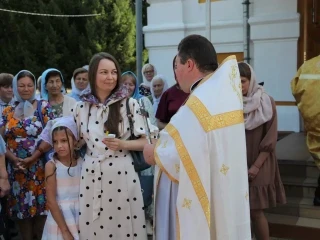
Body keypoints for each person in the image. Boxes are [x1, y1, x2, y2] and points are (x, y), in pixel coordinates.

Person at [143, 34, 251, 240]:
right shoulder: (223, 94)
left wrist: (154, 151)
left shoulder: (198, 103)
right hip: (225, 190)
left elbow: (176, 155)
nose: (175, 73)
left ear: (190, 64)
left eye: (177, 66)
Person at [72, 52, 158, 239]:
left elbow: (150, 140)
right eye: (104, 72)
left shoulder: (130, 104)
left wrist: (122, 144)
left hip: (122, 172)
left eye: (113, 72)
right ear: (93, 74)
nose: (110, 77)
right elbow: (76, 140)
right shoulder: (80, 107)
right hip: (91, 174)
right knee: (94, 228)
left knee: (124, 229)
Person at [0, 70, 54, 240]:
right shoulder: (8, 110)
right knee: (22, 218)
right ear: (16, 87)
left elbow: (52, 134)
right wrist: (13, 158)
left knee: (42, 218)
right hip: (16, 171)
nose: (26, 89)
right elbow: (0, 140)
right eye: (21, 85)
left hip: (39, 169)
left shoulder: (43, 106)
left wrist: (33, 157)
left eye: (30, 85)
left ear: (35, 87)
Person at [239, 62, 286, 240]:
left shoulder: (267, 102)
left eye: (243, 81)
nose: (239, 86)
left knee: (256, 211)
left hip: (261, 161)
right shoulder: (231, 104)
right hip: (240, 161)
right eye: (235, 81)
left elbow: (270, 139)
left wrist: (256, 166)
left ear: (251, 81)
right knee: (242, 212)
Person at [40, 116, 83, 240]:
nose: (59, 146)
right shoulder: (52, 166)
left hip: (81, 216)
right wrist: (64, 231)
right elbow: (51, 201)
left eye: (64, 140)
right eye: (55, 142)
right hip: (60, 220)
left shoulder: (82, 162)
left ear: (74, 140)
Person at [156, 56, 189, 130]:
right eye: (175, 67)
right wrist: (174, 129)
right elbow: (159, 123)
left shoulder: (198, 91)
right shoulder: (168, 94)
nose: (178, 70)